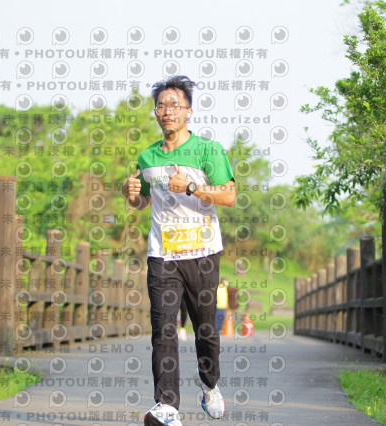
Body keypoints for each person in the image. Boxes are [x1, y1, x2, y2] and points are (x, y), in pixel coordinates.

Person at [122, 75, 235, 425]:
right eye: (161, 105)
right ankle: (167, 405)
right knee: (163, 328)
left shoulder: (208, 150)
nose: (167, 111)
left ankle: (210, 384)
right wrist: (131, 195)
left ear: (188, 111)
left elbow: (228, 195)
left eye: (174, 105)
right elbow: (143, 201)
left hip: (202, 253)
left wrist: (191, 187)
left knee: (205, 329)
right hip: (163, 255)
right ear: (156, 113)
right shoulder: (147, 156)